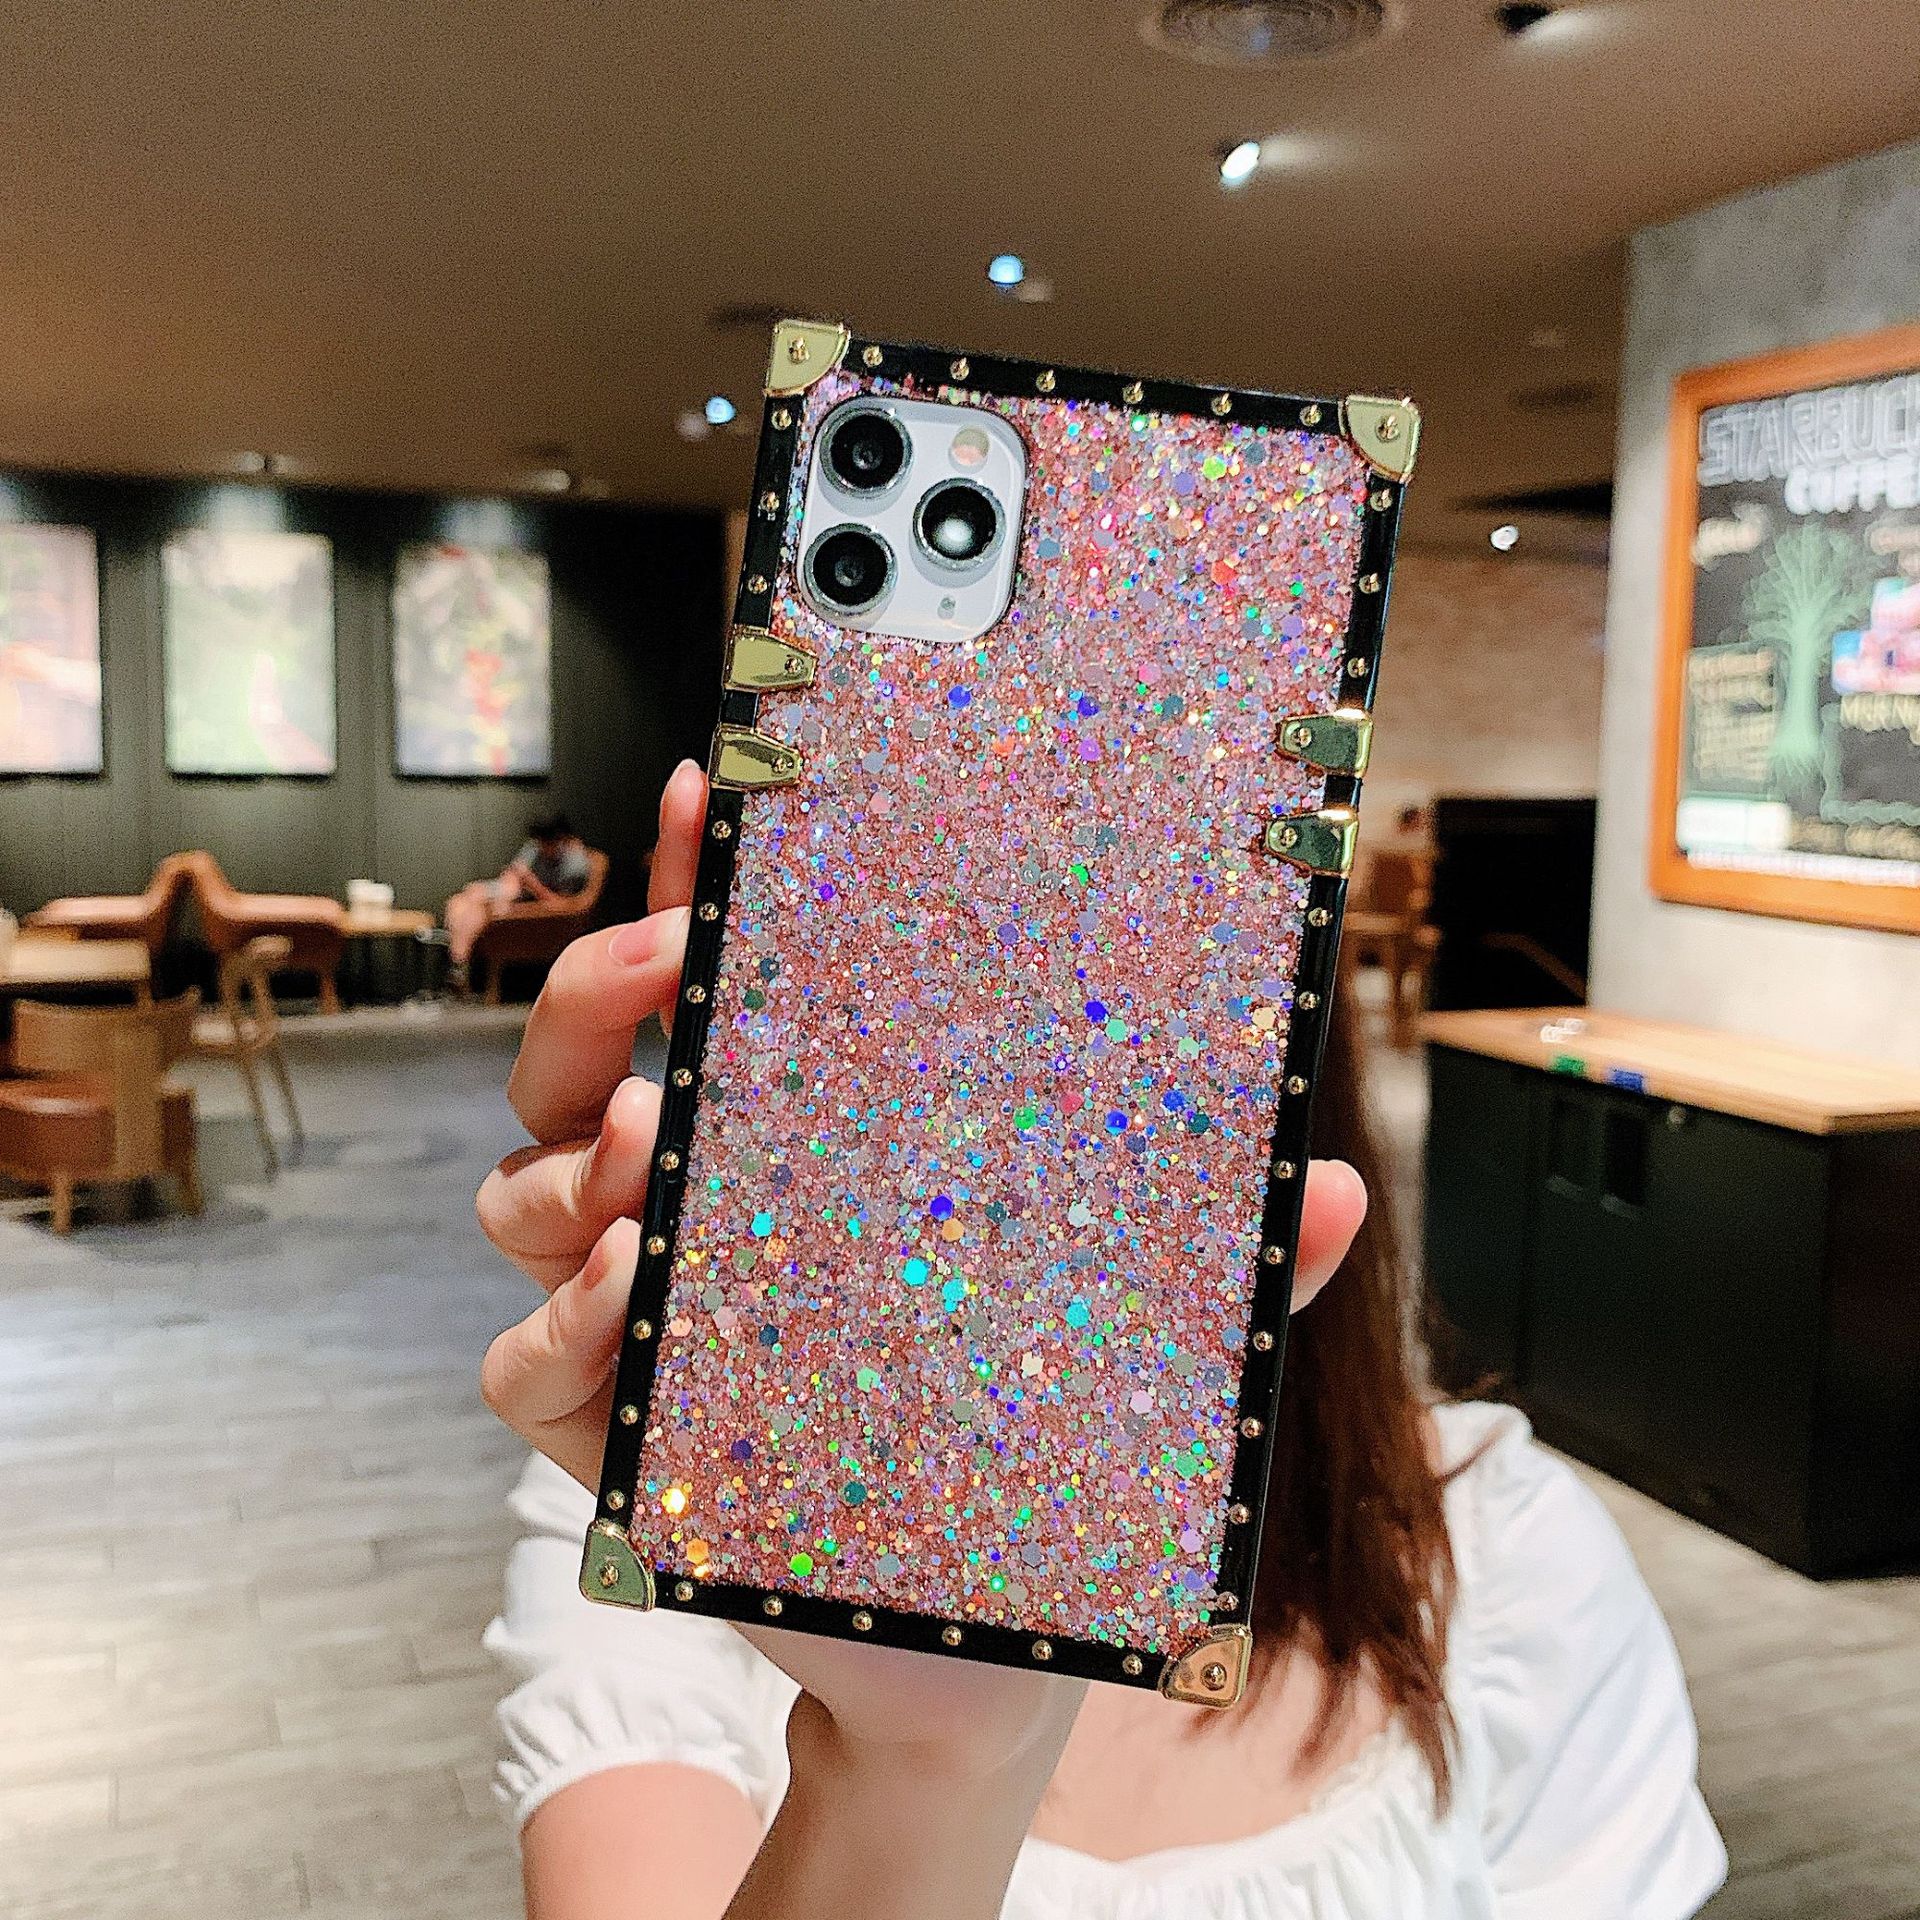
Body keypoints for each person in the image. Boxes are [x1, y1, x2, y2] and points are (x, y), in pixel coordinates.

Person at [474, 760, 1727, 1920]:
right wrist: (927, 1760)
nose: (1019, 1138)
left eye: (1123, 998)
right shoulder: (678, 1505)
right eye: (917, 1003)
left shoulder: (1511, 1564)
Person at [442, 812, 592, 986]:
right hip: (515, 893)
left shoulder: (575, 865)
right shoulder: (536, 846)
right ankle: (459, 964)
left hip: (533, 907)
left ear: (560, 839)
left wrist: (532, 884)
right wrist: (510, 883)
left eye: (545, 843)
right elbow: (514, 872)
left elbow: (562, 905)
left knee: (476, 905)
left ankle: (459, 965)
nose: (541, 848)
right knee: (460, 901)